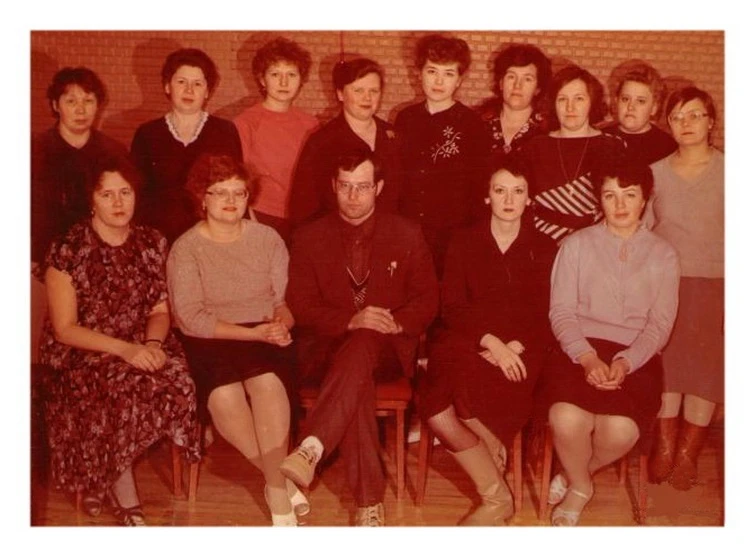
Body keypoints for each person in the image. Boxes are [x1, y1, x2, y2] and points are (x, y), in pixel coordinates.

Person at [39, 154, 200, 526]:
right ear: (91, 200)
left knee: (178, 384)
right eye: (107, 194)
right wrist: (126, 350)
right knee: (119, 389)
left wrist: (153, 345)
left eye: (125, 192)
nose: (118, 202)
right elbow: (65, 329)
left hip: (142, 342)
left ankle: (101, 476)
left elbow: (160, 310)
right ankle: (127, 500)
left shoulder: (151, 242)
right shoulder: (68, 247)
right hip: (82, 351)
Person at [280, 150, 438, 526]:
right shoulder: (309, 236)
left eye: (362, 187)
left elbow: (428, 299)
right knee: (357, 381)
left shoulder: (406, 233)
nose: (353, 196)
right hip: (325, 350)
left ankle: (312, 446)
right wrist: (352, 320)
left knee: (365, 343)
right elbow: (300, 304)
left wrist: (393, 323)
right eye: (346, 186)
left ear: (378, 188)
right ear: (334, 186)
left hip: (387, 350)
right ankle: (368, 506)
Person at [539, 159, 680, 526]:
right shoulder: (576, 245)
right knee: (566, 417)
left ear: (645, 199)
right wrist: (586, 357)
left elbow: (660, 324)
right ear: (598, 200)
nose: (620, 205)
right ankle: (581, 487)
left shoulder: (663, 254)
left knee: (618, 430)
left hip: (637, 357)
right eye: (610, 195)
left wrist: (626, 361)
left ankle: (574, 474)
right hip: (577, 348)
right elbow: (561, 312)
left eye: (629, 195)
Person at [166, 154, 305, 526]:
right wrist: (252, 333)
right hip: (211, 336)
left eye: (239, 193)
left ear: (248, 197)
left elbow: (285, 302)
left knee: (267, 383)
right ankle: (280, 483)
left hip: (263, 331)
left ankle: (276, 490)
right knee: (225, 395)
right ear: (203, 197)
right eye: (220, 192)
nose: (230, 200)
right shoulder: (186, 248)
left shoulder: (267, 239)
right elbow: (190, 317)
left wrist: (280, 325)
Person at [419, 157, 557, 525]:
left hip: (522, 355)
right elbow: (452, 306)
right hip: (470, 342)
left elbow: (546, 313)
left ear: (529, 198)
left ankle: (495, 492)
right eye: (500, 191)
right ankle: (497, 488)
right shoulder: (463, 241)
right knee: (437, 402)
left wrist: (512, 348)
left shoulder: (545, 247)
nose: (509, 200)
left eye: (518, 191)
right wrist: (491, 342)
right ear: (487, 196)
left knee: (455, 388)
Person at [646, 87, 724, 490]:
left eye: (694, 115)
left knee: (706, 372)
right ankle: (664, 446)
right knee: (669, 369)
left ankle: (688, 453)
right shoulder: (655, 173)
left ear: (711, 121)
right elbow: (642, 232)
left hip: (718, 288)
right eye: (676, 117)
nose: (686, 124)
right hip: (666, 287)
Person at [394, 34, 490, 273]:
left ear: (459, 80)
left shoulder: (472, 124)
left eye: (448, 74)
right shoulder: (405, 118)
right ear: (419, 73)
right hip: (408, 230)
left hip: (452, 235)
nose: (439, 81)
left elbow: (478, 187)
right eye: (432, 71)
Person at [131, 48, 242, 244]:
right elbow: (138, 195)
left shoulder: (225, 131)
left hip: (211, 236)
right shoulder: (147, 134)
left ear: (207, 91)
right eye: (181, 82)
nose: (189, 90)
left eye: (197, 84)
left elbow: (236, 188)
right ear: (167, 86)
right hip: (158, 237)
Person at [515, 64, 626, 242]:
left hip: (596, 241)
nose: (570, 107)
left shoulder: (612, 146)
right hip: (542, 241)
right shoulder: (534, 147)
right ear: (553, 104)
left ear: (592, 102)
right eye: (562, 99)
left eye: (579, 99)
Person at [32, 67, 128, 265]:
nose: (81, 110)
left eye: (88, 101)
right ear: (55, 105)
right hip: (44, 256)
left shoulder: (114, 152)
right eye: (71, 101)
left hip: (100, 257)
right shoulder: (34, 150)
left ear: (98, 105)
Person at [288, 58, 401, 226]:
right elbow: (303, 205)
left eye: (374, 91)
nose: (367, 98)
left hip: (388, 233)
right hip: (338, 234)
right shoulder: (322, 142)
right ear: (340, 94)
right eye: (358, 90)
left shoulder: (394, 136)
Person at [234, 37, 319, 243]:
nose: (284, 82)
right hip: (261, 216)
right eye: (275, 74)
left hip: (302, 217)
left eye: (291, 74)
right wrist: (250, 217)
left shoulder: (311, 124)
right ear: (262, 79)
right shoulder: (245, 122)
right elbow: (239, 179)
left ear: (301, 79)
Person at [480, 43, 552, 156]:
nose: (517, 85)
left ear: (538, 88)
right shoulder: (477, 122)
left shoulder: (549, 130)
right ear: (501, 83)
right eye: (511, 77)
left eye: (527, 79)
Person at [603, 60, 677, 166]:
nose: (631, 107)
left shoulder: (667, 147)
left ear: (654, 108)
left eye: (640, 101)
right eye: (625, 99)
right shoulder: (599, 138)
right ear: (616, 101)